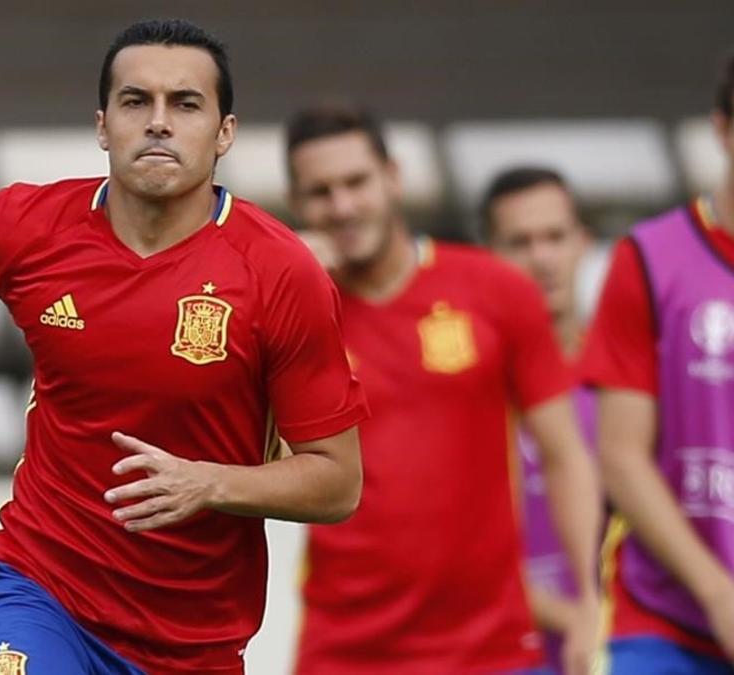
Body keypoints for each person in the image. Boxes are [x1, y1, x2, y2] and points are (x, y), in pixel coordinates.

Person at [0, 19, 368, 675]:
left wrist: (210, 482)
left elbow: (337, 481)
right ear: (103, 124)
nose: (159, 122)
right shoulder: (26, 226)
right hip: (38, 588)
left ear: (225, 131)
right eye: (136, 101)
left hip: (192, 639)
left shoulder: (281, 274)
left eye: (186, 103)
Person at [286, 104, 600, 675]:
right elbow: (246, 454)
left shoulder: (496, 288)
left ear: (394, 177)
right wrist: (287, 286)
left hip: (493, 650)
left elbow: (565, 455)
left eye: (356, 182)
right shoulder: (292, 312)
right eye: (320, 192)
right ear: (298, 204)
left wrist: (585, 600)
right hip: (346, 653)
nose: (343, 206)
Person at [582, 52, 734, 673]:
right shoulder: (651, 256)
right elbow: (620, 456)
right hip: (665, 623)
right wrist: (718, 591)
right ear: (722, 127)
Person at [482, 167, 602, 673]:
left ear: (583, 243)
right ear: (489, 257)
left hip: (634, 645)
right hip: (506, 652)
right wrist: (573, 615)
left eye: (555, 237)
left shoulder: (633, 378)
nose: (543, 258)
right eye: (520, 242)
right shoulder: (469, 387)